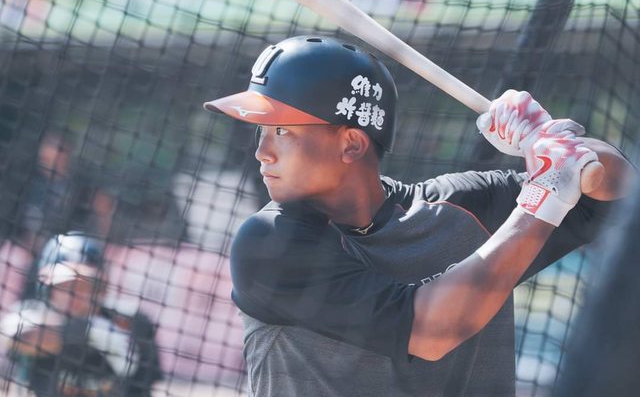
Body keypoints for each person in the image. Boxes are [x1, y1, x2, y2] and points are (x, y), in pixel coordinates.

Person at [202, 36, 634, 396]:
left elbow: (618, 192)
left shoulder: (460, 209)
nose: (262, 152)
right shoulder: (269, 243)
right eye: (262, 131)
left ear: (352, 144)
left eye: (282, 130)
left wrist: (554, 145)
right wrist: (544, 196)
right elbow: (430, 331)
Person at [0, 232, 162, 396]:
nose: (74, 294)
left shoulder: (130, 321)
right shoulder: (31, 313)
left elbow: (146, 386)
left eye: (85, 286)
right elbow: (16, 335)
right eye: (65, 286)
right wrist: (87, 330)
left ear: (101, 288)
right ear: (47, 288)